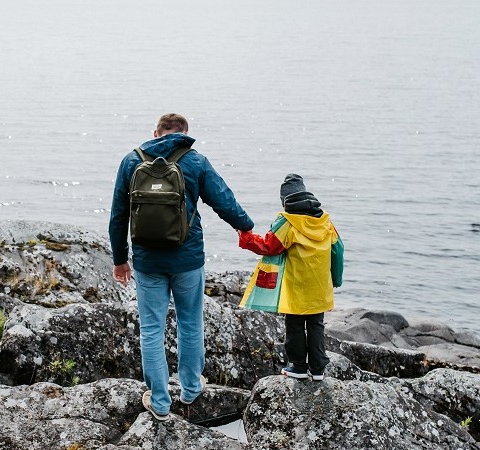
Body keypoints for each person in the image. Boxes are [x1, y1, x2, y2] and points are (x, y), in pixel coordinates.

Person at [109, 113, 254, 421]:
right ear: (185, 134)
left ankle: (160, 402)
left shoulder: (131, 162)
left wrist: (120, 260)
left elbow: (118, 215)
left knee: (151, 328)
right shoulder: (195, 161)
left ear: (155, 132)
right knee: (190, 322)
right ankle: (190, 388)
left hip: (148, 261)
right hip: (187, 259)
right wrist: (245, 227)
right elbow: (223, 200)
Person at [238, 174, 344, 380]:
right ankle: (318, 368)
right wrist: (336, 279)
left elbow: (268, 246)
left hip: (297, 285)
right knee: (316, 324)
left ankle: (298, 366)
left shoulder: (287, 222)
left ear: (284, 200)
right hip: (320, 286)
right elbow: (338, 250)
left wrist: (245, 237)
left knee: (295, 324)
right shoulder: (325, 221)